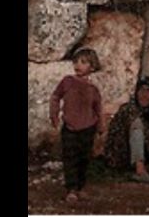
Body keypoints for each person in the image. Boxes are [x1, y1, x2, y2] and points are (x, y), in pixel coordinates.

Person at [49, 48, 105, 203]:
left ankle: (80, 187)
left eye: (83, 62)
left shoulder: (93, 89)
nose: (78, 65)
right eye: (76, 61)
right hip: (70, 128)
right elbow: (55, 96)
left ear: (92, 67)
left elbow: (98, 108)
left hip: (88, 128)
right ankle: (71, 189)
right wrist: (54, 113)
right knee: (70, 158)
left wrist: (101, 126)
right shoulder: (67, 81)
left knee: (84, 159)